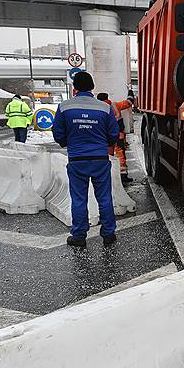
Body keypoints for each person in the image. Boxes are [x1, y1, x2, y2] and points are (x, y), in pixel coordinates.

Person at [52, 71, 119, 248]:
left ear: (75, 88)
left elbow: (58, 133)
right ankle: (108, 234)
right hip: (99, 159)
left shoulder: (64, 107)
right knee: (104, 197)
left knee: (79, 198)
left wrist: (69, 143)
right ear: (92, 87)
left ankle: (79, 236)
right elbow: (113, 133)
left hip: (77, 159)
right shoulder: (104, 108)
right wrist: (104, 143)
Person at [97, 91, 136, 184]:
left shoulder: (97, 108)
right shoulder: (115, 105)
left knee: (108, 156)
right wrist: (130, 93)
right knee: (120, 154)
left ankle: (109, 176)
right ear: (107, 97)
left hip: (105, 136)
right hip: (119, 135)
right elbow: (129, 103)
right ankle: (123, 175)